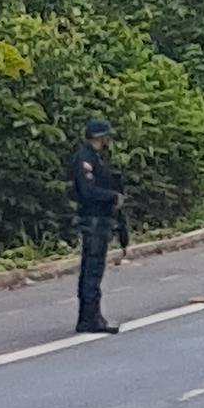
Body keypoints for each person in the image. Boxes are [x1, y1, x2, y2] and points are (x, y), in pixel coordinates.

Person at [67, 118, 125, 334]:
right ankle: (90, 319)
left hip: (99, 219)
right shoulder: (85, 159)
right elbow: (88, 191)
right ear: (100, 137)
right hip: (93, 219)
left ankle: (90, 316)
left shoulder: (95, 158)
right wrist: (112, 197)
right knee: (92, 269)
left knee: (93, 269)